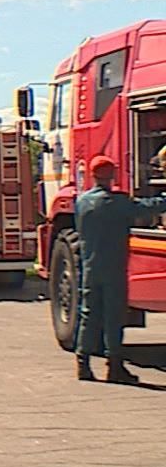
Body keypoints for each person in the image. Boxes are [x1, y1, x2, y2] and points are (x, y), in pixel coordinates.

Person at [72, 155, 166, 384]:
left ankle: (83, 364)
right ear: (111, 175)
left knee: (88, 315)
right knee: (113, 316)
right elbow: (148, 208)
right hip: (113, 268)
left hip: (90, 266)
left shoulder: (82, 201)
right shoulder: (116, 202)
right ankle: (114, 366)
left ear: (93, 175)